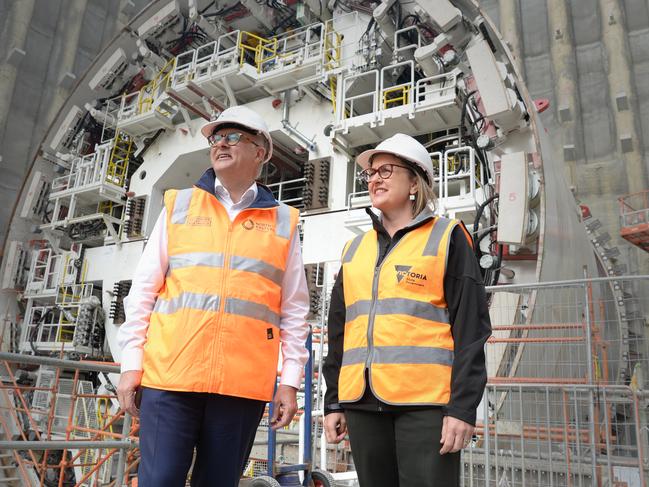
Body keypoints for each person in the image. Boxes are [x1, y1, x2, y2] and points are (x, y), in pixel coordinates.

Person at [116, 105, 310, 487]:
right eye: (216, 137)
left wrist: (289, 380)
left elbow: (294, 310)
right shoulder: (179, 206)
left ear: (261, 152)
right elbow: (143, 293)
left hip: (241, 387)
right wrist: (130, 365)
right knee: (158, 481)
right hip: (170, 379)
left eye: (233, 136)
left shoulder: (284, 222)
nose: (221, 142)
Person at [322, 133, 491, 487]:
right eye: (370, 172)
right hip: (362, 402)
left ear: (415, 181)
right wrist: (333, 402)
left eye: (386, 170)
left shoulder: (448, 237)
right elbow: (339, 330)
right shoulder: (355, 249)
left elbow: (471, 329)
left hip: (426, 405)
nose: (374, 178)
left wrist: (462, 408)